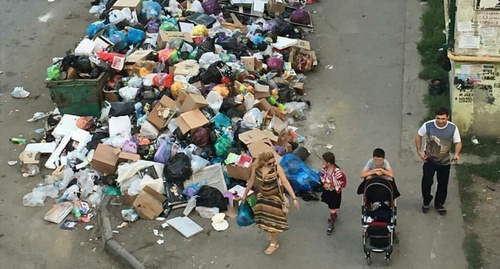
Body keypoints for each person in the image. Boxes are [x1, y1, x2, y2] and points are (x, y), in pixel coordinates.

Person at [242, 151, 299, 255]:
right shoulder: (256, 168)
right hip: (262, 198)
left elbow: (285, 182)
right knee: (265, 220)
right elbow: (251, 181)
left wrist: (294, 198)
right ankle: (272, 233)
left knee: (271, 222)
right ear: (262, 162)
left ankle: (274, 243)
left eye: (273, 162)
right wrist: (245, 194)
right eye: (269, 163)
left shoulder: (277, 168)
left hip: (274, 199)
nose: (272, 164)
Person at [415, 107, 462, 215]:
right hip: (429, 160)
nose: (440, 121)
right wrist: (420, 151)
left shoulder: (452, 128)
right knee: (426, 182)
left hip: (444, 162)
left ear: (448, 117)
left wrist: (456, 154)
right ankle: (426, 200)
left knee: (442, 183)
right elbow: (418, 135)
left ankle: (439, 203)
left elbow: (458, 142)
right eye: (438, 118)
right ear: (435, 117)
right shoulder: (428, 125)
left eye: (443, 119)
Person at [320, 152, 347, 235]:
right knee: (330, 204)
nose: (322, 162)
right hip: (328, 190)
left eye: (323, 161)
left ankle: (332, 221)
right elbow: (322, 176)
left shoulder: (337, 172)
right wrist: (324, 183)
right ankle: (333, 214)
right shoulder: (325, 168)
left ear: (328, 162)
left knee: (332, 205)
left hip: (334, 191)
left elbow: (343, 182)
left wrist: (331, 185)